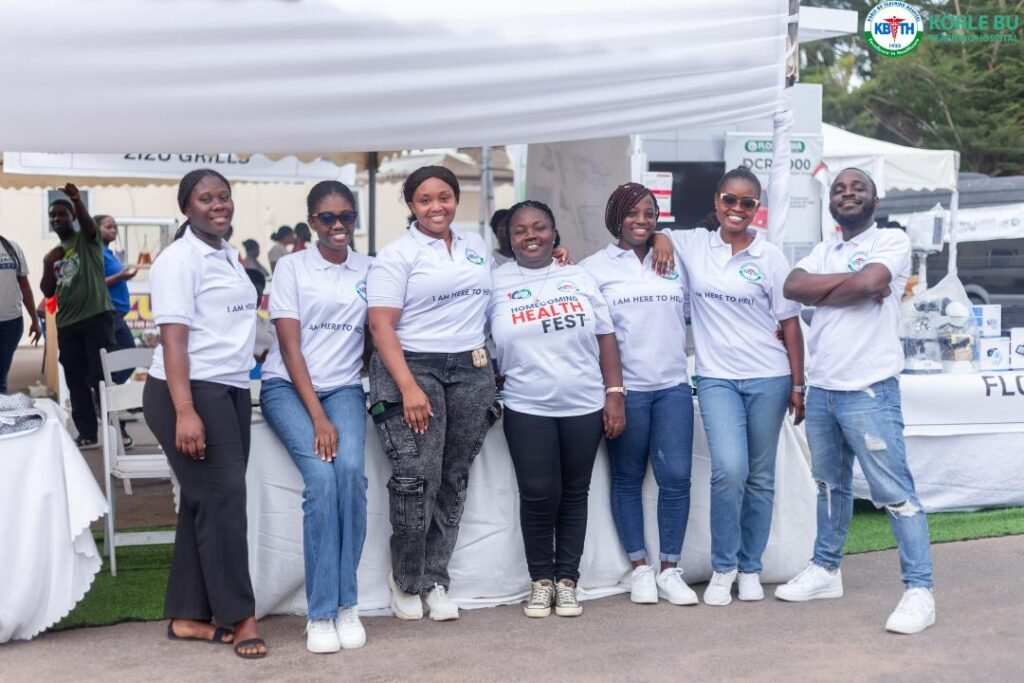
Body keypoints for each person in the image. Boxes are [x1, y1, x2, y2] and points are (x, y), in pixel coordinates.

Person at [777, 167, 935, 635]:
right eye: (839, 189)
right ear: (831, 203)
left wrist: (846, 286)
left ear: (875, 200)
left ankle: (919, 589)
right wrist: (855, 283)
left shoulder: (891, 242)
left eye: (857, 188)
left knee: (894, 491)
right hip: (824, 388)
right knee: (829, 484)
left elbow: (871, 284)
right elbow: (792, 286)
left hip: (869, 389)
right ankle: (826, 570)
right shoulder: (826, 249)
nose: (847, 194)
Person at [651, 167, 804, 606]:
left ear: (758, 208)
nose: (737, 209)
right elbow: (654, 234)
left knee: (760, 476)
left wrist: (798, 383)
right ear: (717, 202)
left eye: (747, 203)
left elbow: (789, 324)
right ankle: (724, 568)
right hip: (716, 376)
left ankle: (750, 567)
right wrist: (662, 234)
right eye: (730, 201)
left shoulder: (771, 257)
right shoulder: (695, 244)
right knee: (728, 470)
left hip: (769, 376)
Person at [142, 169, 267, 659]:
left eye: (224, 196)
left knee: (205, 502)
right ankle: (242, 617)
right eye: (205, 198)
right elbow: (174, 341)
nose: (218, 204)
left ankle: (187, 616)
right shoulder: (178, 261)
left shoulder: (226, 255)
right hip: (189, 393)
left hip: (229, 390)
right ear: (186, 206)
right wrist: (185, 409)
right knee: (224, 503)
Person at [367, 165, 495, 622]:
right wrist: (407, 387)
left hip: (470, 368)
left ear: (456, 199)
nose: (436, 206)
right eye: (425, 199)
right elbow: (380, 324)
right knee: (417, 476)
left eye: (444, 197)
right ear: (411, 205)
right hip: (414, 366)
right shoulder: (398, 254)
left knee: (454, 475)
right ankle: (406, 578)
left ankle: (436, 578)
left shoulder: (475, 247)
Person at [491, 200, 626, 619]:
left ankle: (567, 581)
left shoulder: (578, 276)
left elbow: (606, 337)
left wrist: (614, 393)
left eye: (540, 227)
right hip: (526, 405)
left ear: (554, 233)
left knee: (573, 494)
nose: (531, 236)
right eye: (521, 230)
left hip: (583, 403)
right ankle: (540, 581)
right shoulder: (493, 282)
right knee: (537, 494)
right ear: (509, 238)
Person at [259, 180, 371, 653]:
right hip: (288, 386)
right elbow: (289, 345)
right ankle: (323, 611)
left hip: (345, 386)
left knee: (350, 475)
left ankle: (348, 603)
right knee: (321, 482)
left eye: (347, 216)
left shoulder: (372, 267)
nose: (339, 226)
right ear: (312, 222)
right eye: (328, 218)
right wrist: (319, 418)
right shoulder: (291, 267)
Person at [580, 183, 697, 606]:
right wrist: (612, 392)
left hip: (672, 388)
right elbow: (591, 333)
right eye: (632, 213)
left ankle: (670, 569)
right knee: (627, 478)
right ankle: (639, 569)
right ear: (615, 217)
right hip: (625, 390)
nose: (642, 221)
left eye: (650, 214)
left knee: (677, 479)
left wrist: (665, 239)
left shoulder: (674, 258)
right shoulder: (594, 267)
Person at [40, 185, 115, 449]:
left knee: (101, 377)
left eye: (62, 214)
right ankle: (87, 433)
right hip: (68, 324)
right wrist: (50, 263)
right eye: (53, 215)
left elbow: (88, 223)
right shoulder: (53, 254)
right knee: (75, 379)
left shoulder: (87, 239)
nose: (57, 219)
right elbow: (48, 290)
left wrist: (76, 199)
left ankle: (116, 429)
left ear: (72, 217)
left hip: (96, 317)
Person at [97, 216, 139, 376]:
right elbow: (94, 284)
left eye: (115, 227)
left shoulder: (109, 253)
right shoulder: (97, 253)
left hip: (117, 314)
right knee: (129, 356)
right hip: (109, 313)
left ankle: (107, 391)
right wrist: (120, 276)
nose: (113, 230)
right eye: (108, 227)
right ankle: (107, 392)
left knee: (116, 359)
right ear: (96, 229)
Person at [0, 234, 41, 394]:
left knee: (1, 376)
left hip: (12, 322)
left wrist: (35, 320)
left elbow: (24, 285)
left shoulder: (12, 247)